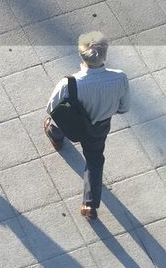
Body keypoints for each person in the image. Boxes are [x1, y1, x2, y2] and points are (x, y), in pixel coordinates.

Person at [43, 31, 130, 220]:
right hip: (100, 127)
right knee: (95, 160)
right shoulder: (120, 78)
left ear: (81, 55)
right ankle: (89, 205)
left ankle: (56, 139)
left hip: (74, 124)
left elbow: (51, 107)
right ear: (105, 55)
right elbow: (124, 107)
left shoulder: (69, 83)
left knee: (56, 124)